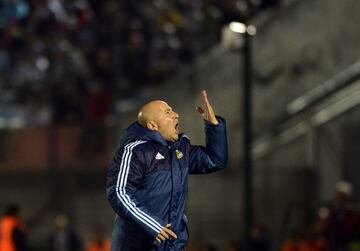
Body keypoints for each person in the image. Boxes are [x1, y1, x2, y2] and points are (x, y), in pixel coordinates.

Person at [106, 90, 228, 250]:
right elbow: (118, 192)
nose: (176, 114)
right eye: (168, 112)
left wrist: (214, 126)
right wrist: (153, 226)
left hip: (173, 244)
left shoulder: (180, 148)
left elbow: (214, 160)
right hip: (138, 245)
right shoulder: (135, 151)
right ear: (152, 125)